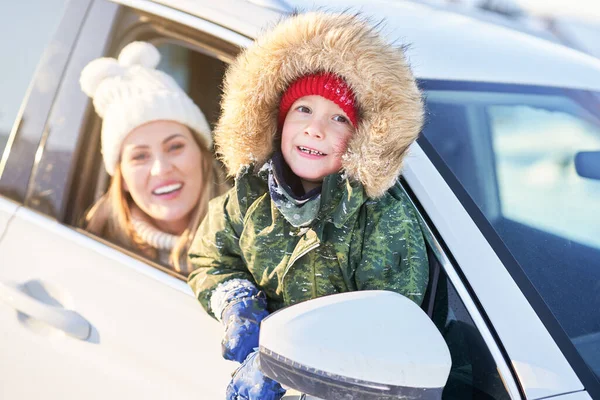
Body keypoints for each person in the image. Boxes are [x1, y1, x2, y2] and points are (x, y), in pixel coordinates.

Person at [187, 12, 429, 399]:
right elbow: (209, 258)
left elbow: (386, 328)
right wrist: (237, 303)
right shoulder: (249, 197)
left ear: (362, 137)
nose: (316, 129)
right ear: (278, 121)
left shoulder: (381, 220)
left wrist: (284, 367)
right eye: (303, 109)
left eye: (338, 118)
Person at [80, 41, 225, 275]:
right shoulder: (95, 253)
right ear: (123, 178)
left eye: (175, 147)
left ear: (202, 155)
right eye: (140, 156)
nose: (161, 169)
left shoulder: (249, 235)